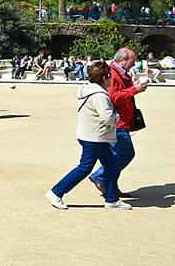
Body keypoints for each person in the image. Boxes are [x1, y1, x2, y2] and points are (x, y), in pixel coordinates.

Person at [46, 61, 131, 210]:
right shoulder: (100, 95)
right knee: (84, 168)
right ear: (104, 78)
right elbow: (108, 119)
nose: (112, 79)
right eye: (110, 76)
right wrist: (117, 115)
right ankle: (56, 192)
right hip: (95, 137)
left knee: (111, 166)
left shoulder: (88, 89)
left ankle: (111, 198)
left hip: (93, 135)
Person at [89, 48, 148, 199]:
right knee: (125, 153)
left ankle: (111, 186)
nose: (134, 63)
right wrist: (134, 89)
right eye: (132, 60)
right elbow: (113, 97)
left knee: (117, 155)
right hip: (117, 123)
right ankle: (101, 178)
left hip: (121, 122)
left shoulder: (118, 73)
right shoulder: (114, 74)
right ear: (122, 60)